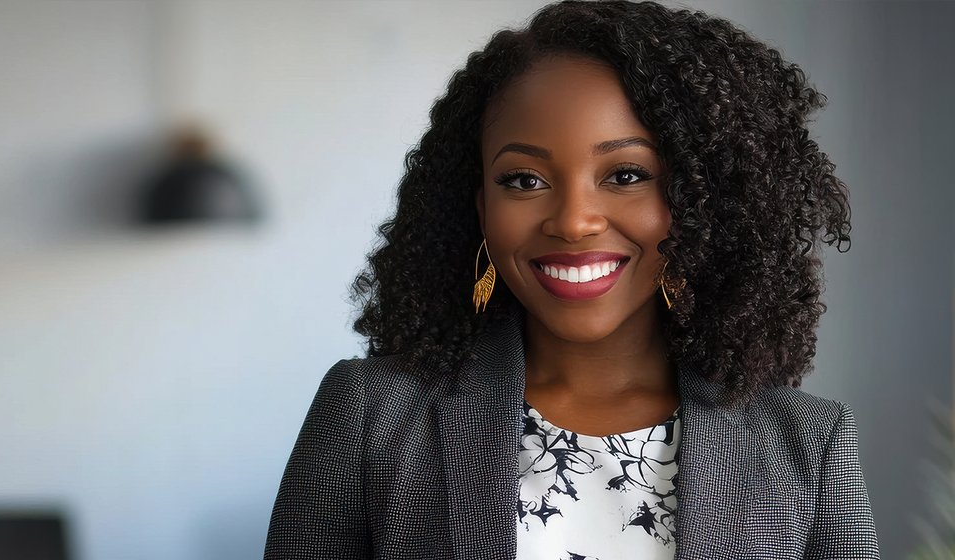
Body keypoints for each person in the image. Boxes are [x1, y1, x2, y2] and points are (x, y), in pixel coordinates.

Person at [262, 1, 879, 558]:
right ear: (480, 208)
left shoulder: (808, 444)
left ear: (702, 201)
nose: (574, 221)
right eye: (524, 180)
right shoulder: (370, 415)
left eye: (626, 175)